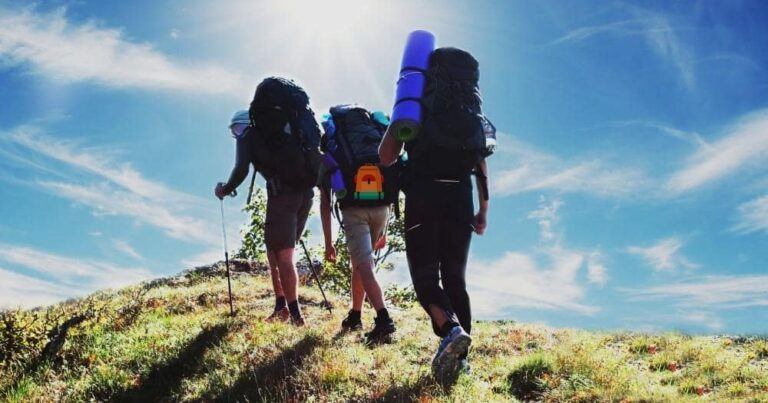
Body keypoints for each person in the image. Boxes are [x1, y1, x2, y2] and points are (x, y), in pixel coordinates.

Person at [379, 47, 495, 378]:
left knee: (426, 279)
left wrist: (400, 117)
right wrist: (483, 209)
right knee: (456, 279)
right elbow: (481, 163)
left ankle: (450, 332)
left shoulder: (415, 104)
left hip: (424, 194)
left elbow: (386, 156)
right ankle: (462, 363)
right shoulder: (470, 109)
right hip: (461, 195)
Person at [215, 77, 321, 326]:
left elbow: (241, 169)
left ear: (245, 123)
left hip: (282, 194)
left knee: (283, 256)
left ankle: (294, 315)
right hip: (306, 192)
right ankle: (281, 306)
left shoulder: (250, 135)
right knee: (276, 253)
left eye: (235, 130)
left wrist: (225, 189)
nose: (236, 135)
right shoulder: (288, 130)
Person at [317, 105, 397, 343]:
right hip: (382, 208)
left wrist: (329, 243)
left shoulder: (334, 148)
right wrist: (385, 229)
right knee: (359, 265)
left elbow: (324, 202)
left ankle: (384, 319)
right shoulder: (373, 138)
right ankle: (355, 314)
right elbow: (390, 180)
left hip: (355, 211)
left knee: (364, 266)